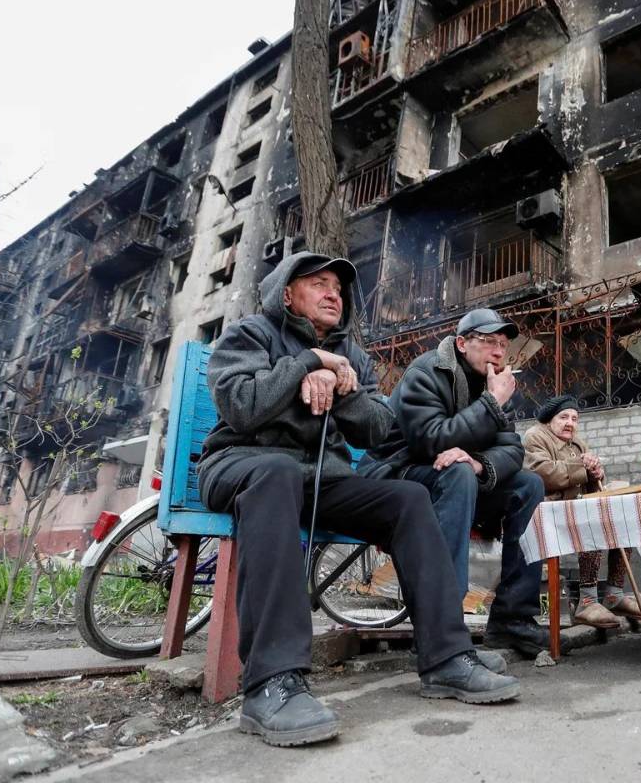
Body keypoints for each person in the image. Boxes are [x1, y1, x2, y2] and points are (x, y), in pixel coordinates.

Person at [197, 253, 519, 747]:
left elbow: (376, 426)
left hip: (321, 480)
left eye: (339, 288)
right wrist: (306, 364)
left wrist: (340, 381)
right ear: (287, 293)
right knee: (278, 471)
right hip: (243, 465)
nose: (333, 293)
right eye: (318, 284)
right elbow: (241, 407)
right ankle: (272, 684)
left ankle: (447, 658)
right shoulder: (252, 334)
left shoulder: (352, 352)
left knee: (408, 499)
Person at [365, 308, 551, 657]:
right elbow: (430, 441)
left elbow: (512, 448)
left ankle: (512, 618)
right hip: (398, 472)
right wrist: (492, 403)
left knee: (529, 485)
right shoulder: (427, 371)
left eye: (503, 344)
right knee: (456, 472)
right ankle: (445, 625)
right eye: (490, 342)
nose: (499, 351)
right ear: (462, 343)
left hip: (457, 479)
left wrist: (481, 464)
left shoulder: (492, 383)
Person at [523, 395, 641, 628]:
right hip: (547, 510)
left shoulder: (577, 443)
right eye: (564, 417)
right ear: (550, 419)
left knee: (623, 519)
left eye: (575, 418)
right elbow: (542, 472)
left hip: (574, 507)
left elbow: (588, 482)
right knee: (592, 521)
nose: (570, 423)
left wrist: (597, 472)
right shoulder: (535, 436)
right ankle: (587, 601)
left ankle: (614, 594)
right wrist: (583, 466)